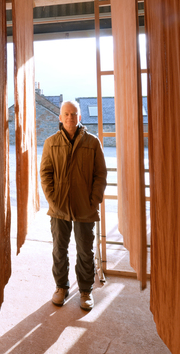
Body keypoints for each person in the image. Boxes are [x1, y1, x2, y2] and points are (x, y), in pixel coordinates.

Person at [40, 100, 107, 311]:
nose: (70, 117)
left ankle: (85, 290)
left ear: (80, 117)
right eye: (66, 114)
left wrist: (93, 200)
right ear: (60, 117)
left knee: (85, 250)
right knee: (59, 250)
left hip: (85, 208)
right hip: (59, 208)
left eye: (74, 114)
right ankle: (61, 287)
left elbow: (100, 175)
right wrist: (53, 199)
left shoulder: (93, 142)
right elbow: (45, 174)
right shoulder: (50, 143)